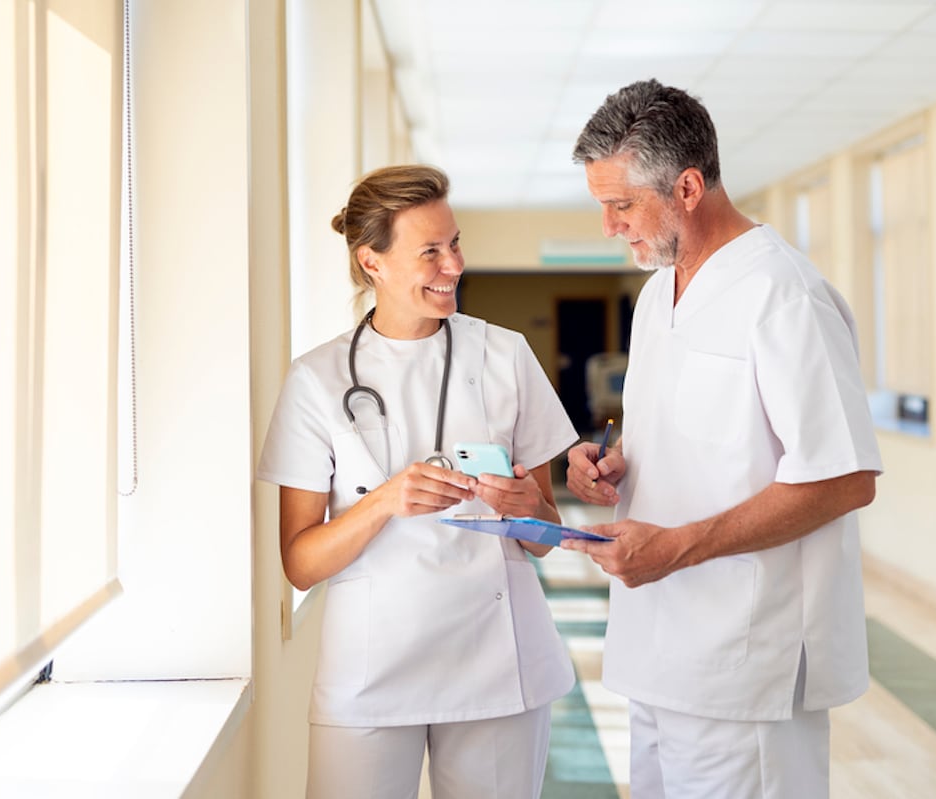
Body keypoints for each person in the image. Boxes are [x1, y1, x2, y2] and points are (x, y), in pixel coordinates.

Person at [561, 79, 883, 799]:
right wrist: (609, 466)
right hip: (655, 650)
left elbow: (844, 477)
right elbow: (689, 439)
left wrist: (676, 545)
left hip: (747, 666)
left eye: (621, 205)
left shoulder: (784, 294)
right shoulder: (655, 295)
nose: (610, 227)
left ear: (687, 185)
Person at [257, 165, 579, 798]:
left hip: (497, 665)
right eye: (429, 251)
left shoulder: (506, 355)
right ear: (371, 260)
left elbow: (547, 535)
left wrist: (528, 506)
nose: (453, 264)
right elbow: (299, 562)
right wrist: (381, 503)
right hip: (372, 672)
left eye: (454, 243)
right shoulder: (316, 381)